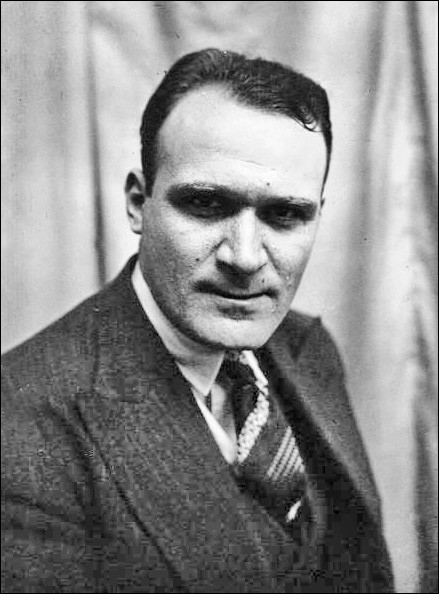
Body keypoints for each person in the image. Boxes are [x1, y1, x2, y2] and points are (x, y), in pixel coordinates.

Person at [1, 48, 394, 593]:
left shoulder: (308, 348)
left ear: (318, 216)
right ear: (138, 203)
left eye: (285, 214)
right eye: (207, 204)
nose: (245, 257)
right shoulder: (20, 422)